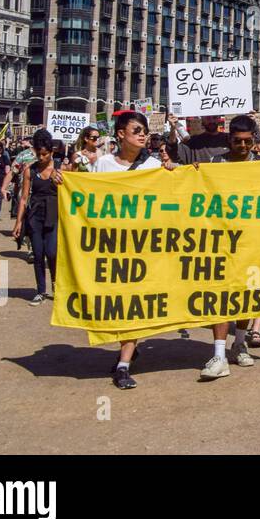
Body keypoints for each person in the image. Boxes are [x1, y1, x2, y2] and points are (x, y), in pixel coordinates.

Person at [89, 111, 168, 389]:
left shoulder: (154, 165)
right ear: (121, 134)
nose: (143, 134)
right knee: (116, 302)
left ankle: (123, 363)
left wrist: (176, 173)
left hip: (144, 246)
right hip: (112, 247)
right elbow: (88, 198)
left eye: (144, 130)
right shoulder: (103, 165)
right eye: (137, 130)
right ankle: (129, 349)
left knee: (134, 303)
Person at [200, 115, 260, 379]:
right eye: (238, 142)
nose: (244, 146)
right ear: (229, 140)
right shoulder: (216, 163)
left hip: (252, 242)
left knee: (245, 297)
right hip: (221, 242)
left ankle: (239, 344)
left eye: (248, 141)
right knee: (220, 296)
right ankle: (219, 354)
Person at [14, 129, 62, 305]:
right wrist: (18, 222)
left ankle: (56, 284)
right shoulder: (29, 170)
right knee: (38, 253)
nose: (41, 158)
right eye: (38, 154)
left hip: (53, 215)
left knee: (52, 252)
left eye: (45, 154)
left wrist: (62, 183)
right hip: (35, 215)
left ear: (52, 152)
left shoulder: (60, 169)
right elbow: (24, 198)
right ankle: (41, 290)